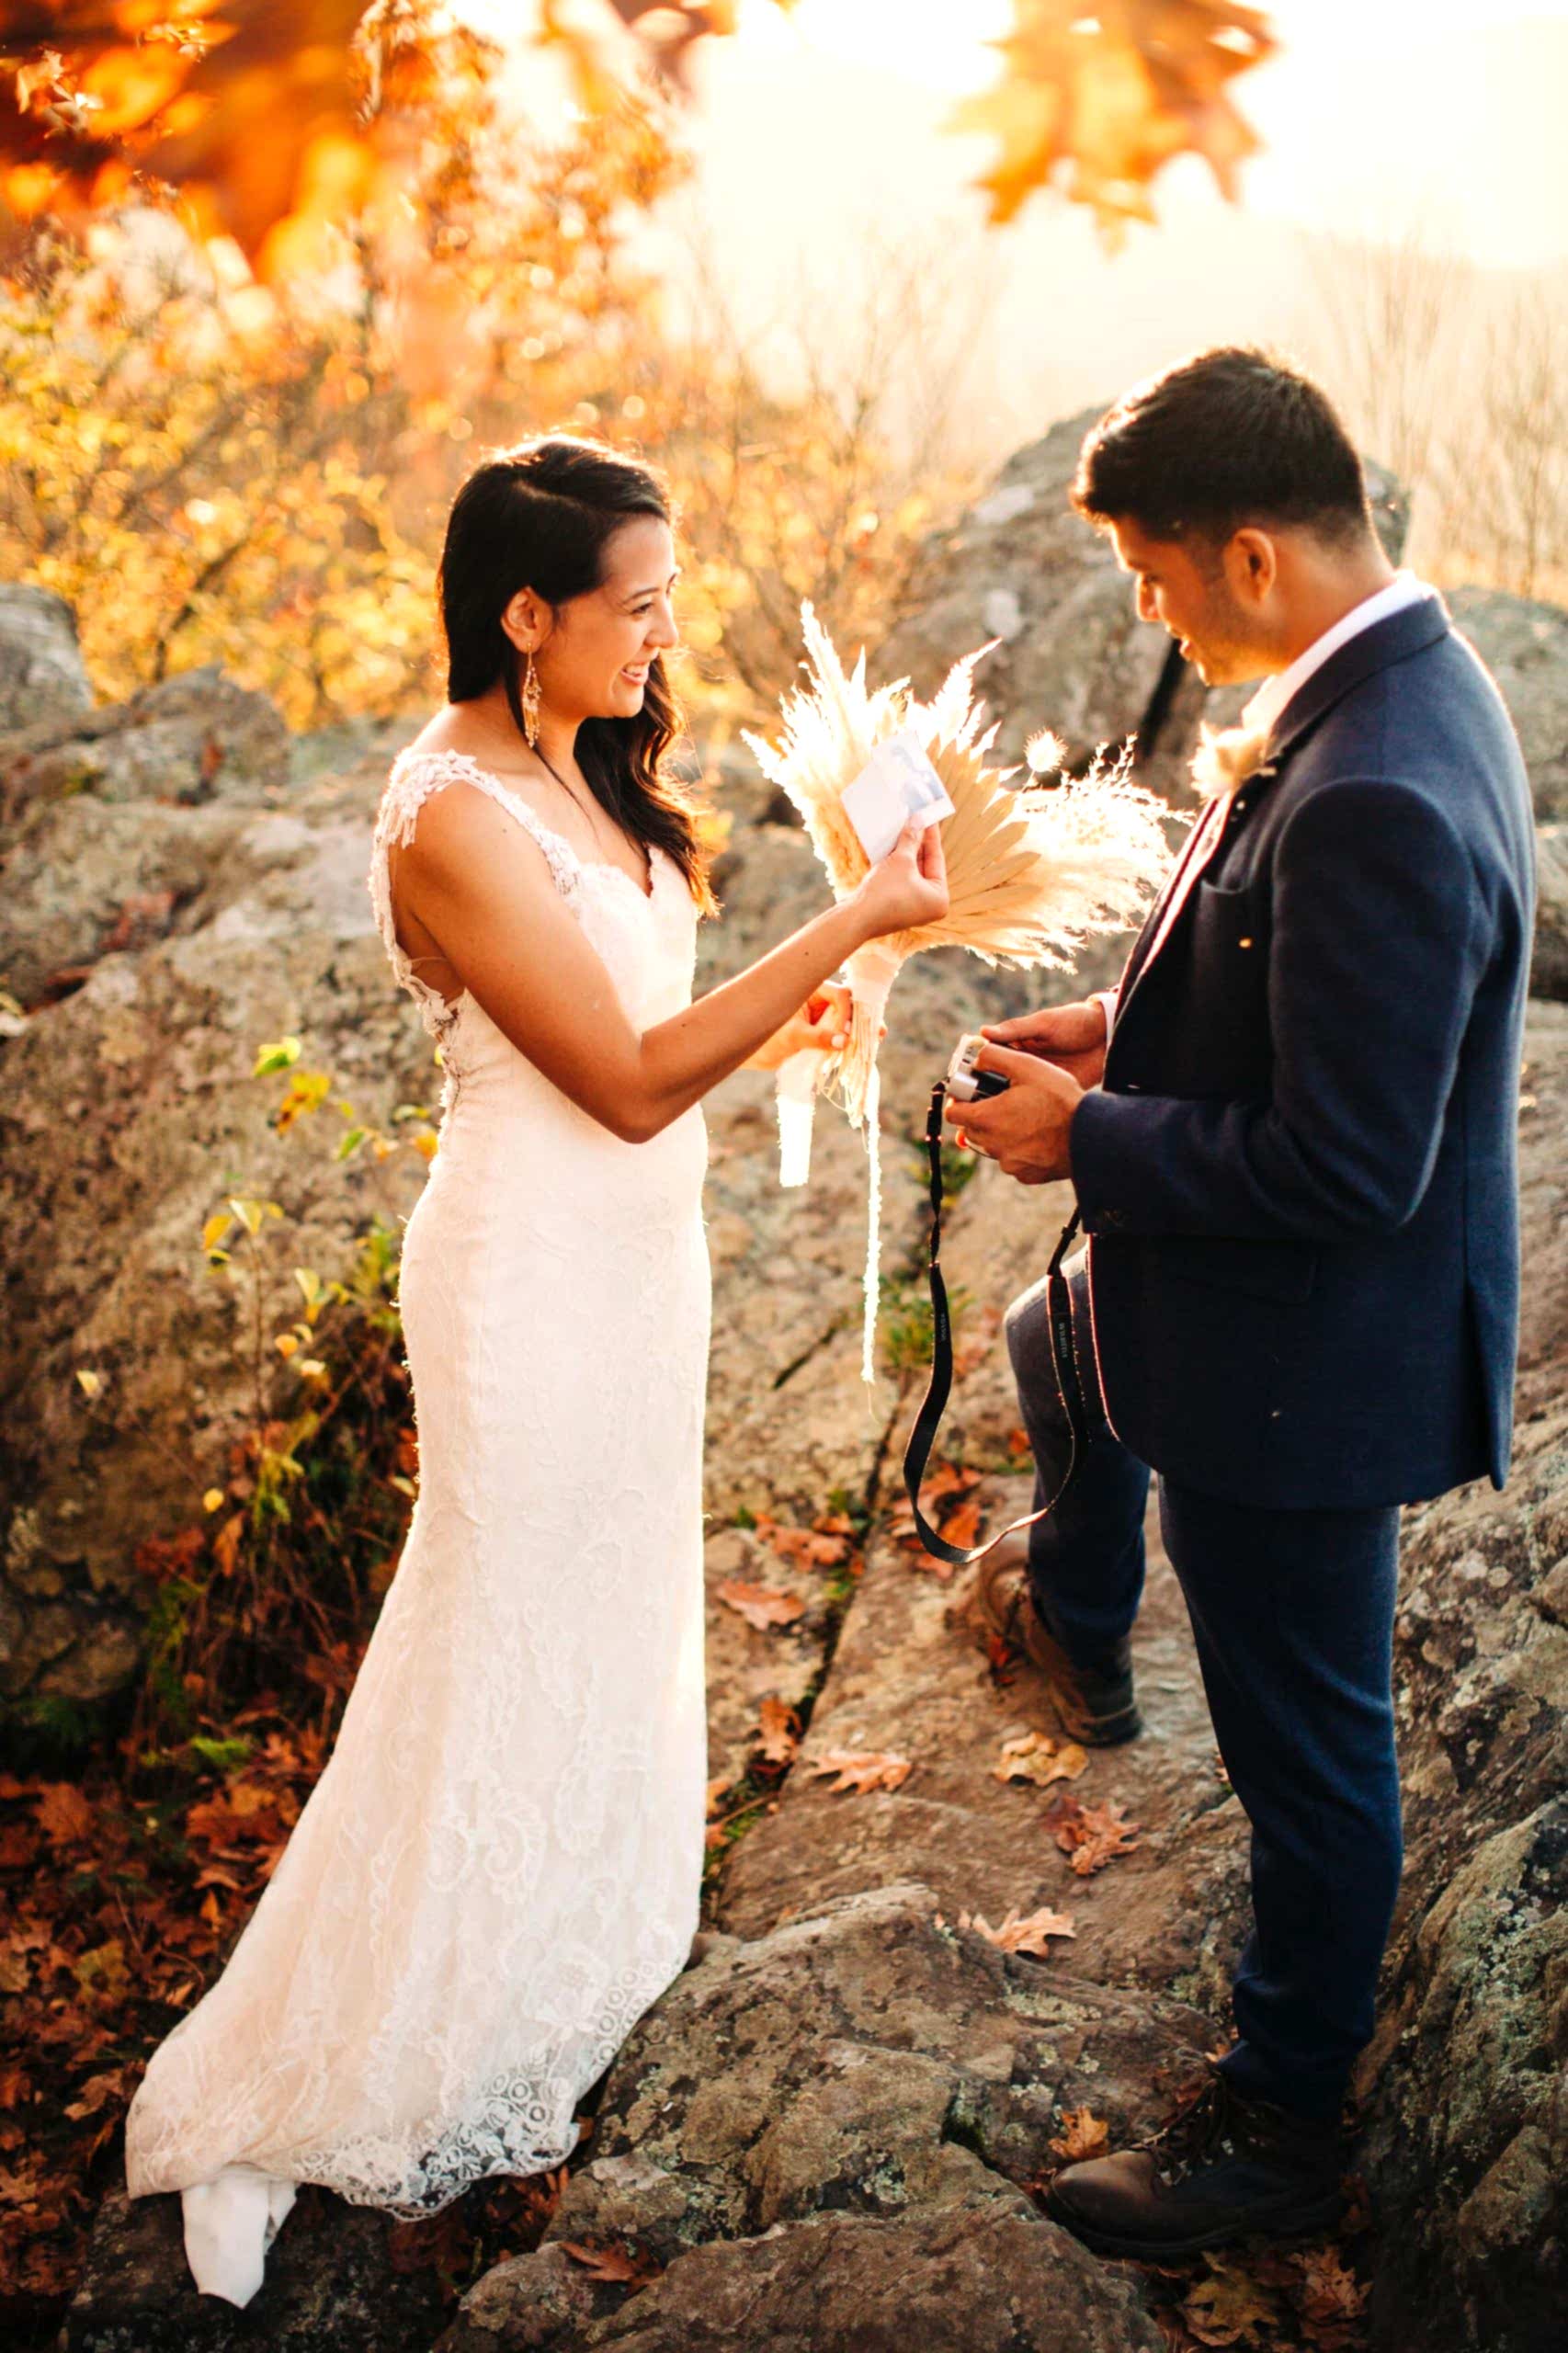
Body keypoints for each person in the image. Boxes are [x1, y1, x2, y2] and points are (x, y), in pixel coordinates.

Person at [122, 435, 947, 2306]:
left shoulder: (576, 767)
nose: (665, 636)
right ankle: (315, 2068)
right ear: (524, 611)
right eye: (634, 605)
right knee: (488, 1629)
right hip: (519, 1279)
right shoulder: (449, 817)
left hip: (640, 1268)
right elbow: (626, 1078)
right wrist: (852, 917)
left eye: (667, 599)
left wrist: (798, 1008)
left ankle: (566, 1958)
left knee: (604, 1601)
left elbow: (648, 1028)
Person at [951, 347, 1535, 2257]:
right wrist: (1110, 1040)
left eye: (1152, 571)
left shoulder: (1372, 780)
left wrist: (1090, 1144)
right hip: (1257, 1343)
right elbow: (1289, 1000)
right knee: (1060, 1353)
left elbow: (1346, 1165)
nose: (1148, 610)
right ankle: (1069, 1596)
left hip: (1304, 1380)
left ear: (1255, 558)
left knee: (1309, 1750)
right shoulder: (1389, 690)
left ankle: (1277, 2131)